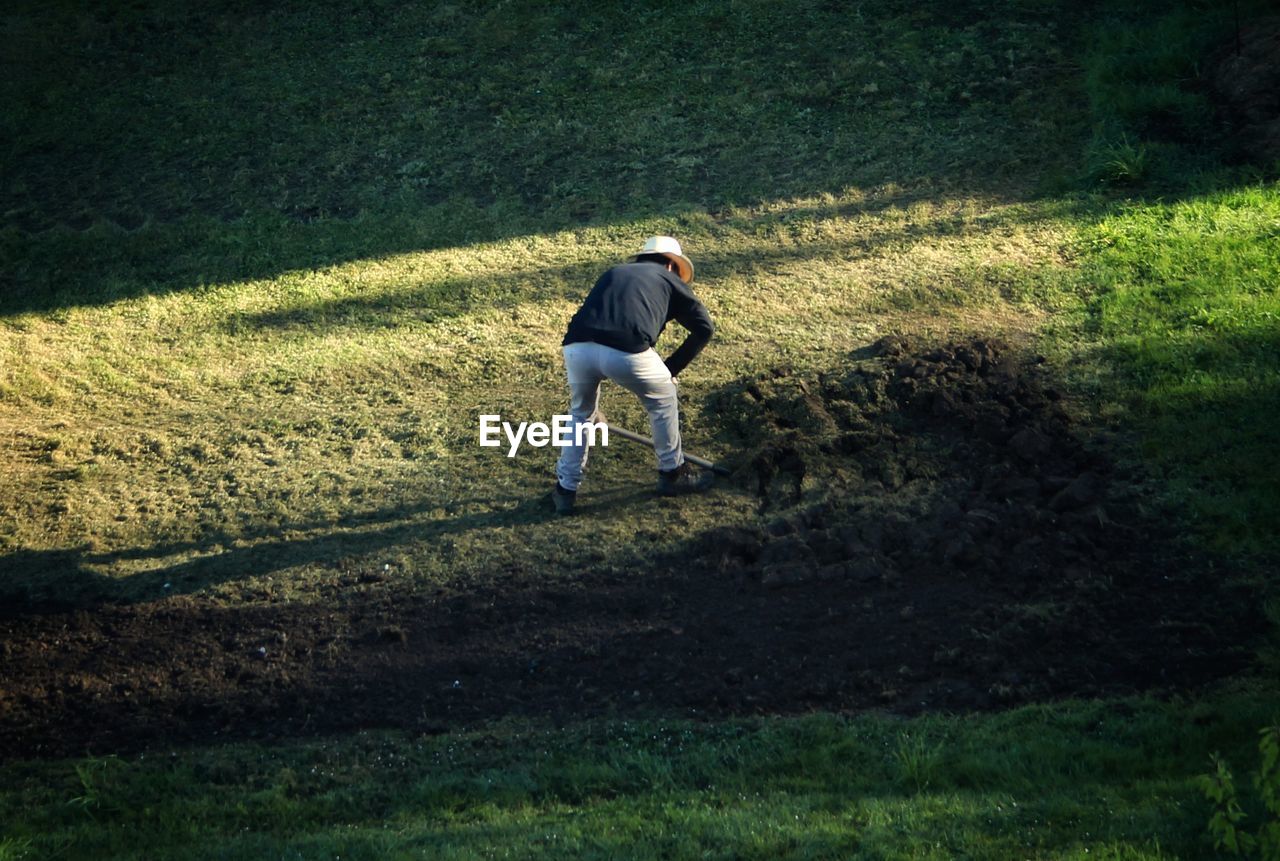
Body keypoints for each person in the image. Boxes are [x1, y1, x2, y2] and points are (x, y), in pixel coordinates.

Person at [552, 236, 715, 515]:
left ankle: (565, 490)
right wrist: (670, 370)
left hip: (577, 347)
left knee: (581, 413)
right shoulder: (668, 278)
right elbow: (705, 328)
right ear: (671, 264)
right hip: (626, 350)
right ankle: (672, 472)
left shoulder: (615, 272)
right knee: (662, 401)